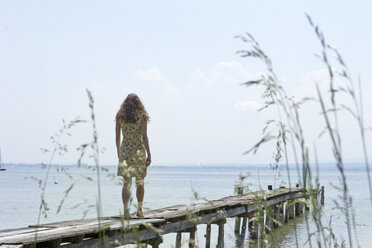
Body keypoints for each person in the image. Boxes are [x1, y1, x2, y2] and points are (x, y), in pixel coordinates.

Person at [115, 93, 151, 218]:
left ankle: (126, 212)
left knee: (126, 183)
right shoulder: (142, 116)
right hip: (138, 152)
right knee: (140, 182)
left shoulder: (120, 116)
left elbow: (117, 137)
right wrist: (149, 154)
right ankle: (139, 211)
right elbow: (144, 137)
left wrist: (119, 153)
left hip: (125, 151)